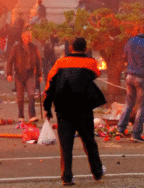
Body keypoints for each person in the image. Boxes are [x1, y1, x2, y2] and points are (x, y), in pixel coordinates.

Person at [43, 37, 106, 186]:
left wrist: (47, 107)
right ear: (85, 49)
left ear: (71, 48)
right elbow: (97, 73)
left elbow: (50, 82)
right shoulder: (90, 62)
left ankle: (67, 176)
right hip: (83, 108)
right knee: (89, 141)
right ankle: (97, 172)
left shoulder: (60, 62)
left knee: (66, 144)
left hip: (63, 108)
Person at [7, 30, 42, 122]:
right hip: (19, 74)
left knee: (31, 94)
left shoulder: (34, 47)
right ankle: (21, 115)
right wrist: (9, 73)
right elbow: (10, 60)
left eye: (30, 36)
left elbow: (38, 61)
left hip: (30, 73)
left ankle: (32, 115)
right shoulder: (16, 47)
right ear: (23, 37)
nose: (29, 38)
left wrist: (39, 74)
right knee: (20, 96)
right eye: (27, 36)